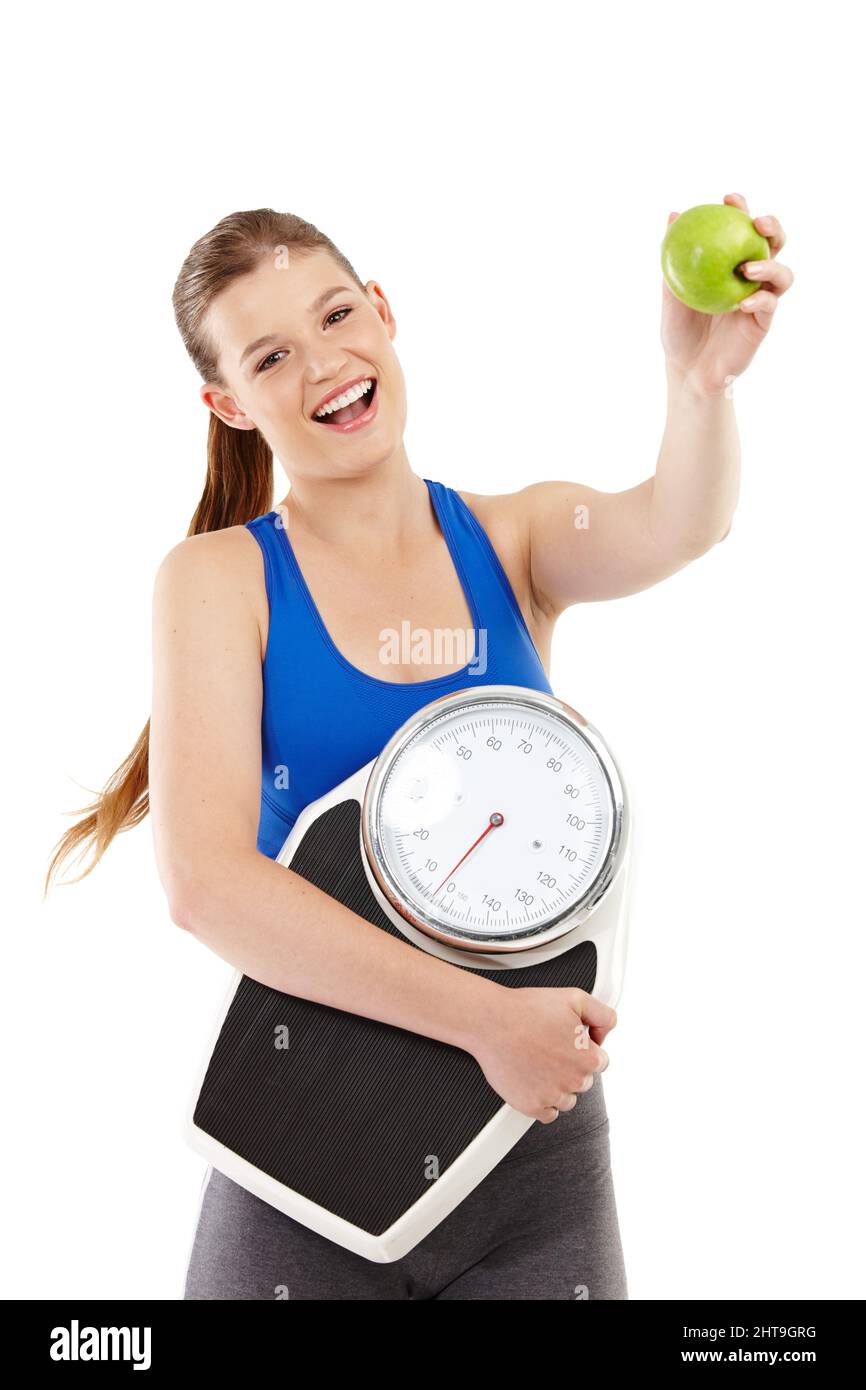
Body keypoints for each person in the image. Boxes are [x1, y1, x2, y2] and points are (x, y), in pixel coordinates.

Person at [44, 199, 792, 1300]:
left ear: (384, 313)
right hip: (307, 1147)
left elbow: (679, 522)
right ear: (227, 403)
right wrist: (492, 1023)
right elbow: (206, 886)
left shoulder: (515, 537)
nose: (324, 365)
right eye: (270, 355)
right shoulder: (216, 582)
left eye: (337, 313)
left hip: (531, 1156)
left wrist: (698, 383)